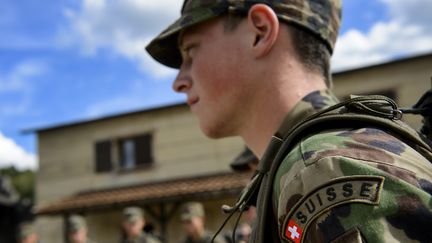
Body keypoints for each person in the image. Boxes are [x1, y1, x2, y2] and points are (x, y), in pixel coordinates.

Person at [146, 0, 432, 242]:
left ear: (259, 32)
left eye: (190, 52)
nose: (179, 82)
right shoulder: (315, 161)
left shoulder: (319, 170)